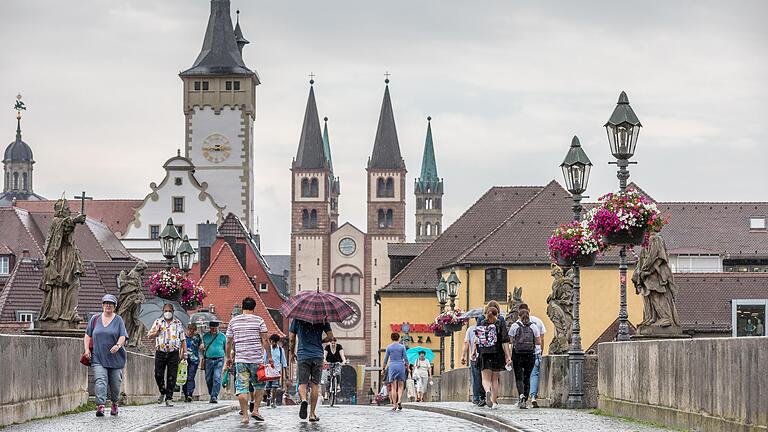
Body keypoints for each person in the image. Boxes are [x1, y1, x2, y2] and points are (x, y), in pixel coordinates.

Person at [225, 297, 272, 424]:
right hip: (256, 360)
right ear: (254, 308)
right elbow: (265, 340)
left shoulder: (233, 321)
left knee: (241, 388)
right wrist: (270, 357)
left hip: (240, 360)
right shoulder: (259, 320)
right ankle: (256, 410)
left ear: (242, 307)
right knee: (259, 385)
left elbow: (228, 341)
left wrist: (228, 357)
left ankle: (245, 415)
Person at [83, 294, 128, 417]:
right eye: (106, 303)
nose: (108, 305)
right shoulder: (95, 319)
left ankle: (114, 403)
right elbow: (88, 335)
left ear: (114, 306)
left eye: (111, 303)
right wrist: (87, 349)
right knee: (100, 380)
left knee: (115, 383)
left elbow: (123, 336)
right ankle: (101, 406)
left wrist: (118, 345)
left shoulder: (118, 320)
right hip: (98, 356)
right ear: (102, 305)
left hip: (115, 357)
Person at [289, 318, 335, 422]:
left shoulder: (297, 319)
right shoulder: (322, 319)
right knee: (315, 384)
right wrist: (321, 341)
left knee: (302, 383)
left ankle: (304, 400)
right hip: (317, 355)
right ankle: (312, 414)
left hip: (303, 355)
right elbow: (331, 337)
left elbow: (291, 339)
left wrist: (292, 353)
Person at [147, 303, 186, 406]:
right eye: (166, 311)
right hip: (160, 351)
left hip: (173, 353)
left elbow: (183, 340)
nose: (167, 313)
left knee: (172, 376)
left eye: (169, 311)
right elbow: (149, 335)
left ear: (173, 312)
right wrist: (156, 332)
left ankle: (169, 398)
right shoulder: (158, 322)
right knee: (158, 374)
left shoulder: (178, 323)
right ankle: (162, 391)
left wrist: (184, 353)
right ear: (163, 312)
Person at [475, 305, 511, 409]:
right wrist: (508, 356)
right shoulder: (500, 324)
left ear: (486, 313)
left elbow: (476, 340)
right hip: (497, 353)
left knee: (485, 379)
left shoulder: (481, 323)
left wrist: (474, 352)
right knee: (495, 379)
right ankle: (494, 402)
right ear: (497, 314)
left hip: (484, 353)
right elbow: (505, 341)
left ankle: (487, 391)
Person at [509, 309, 542, 409]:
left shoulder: (514, 326)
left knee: (519, 376)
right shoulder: (533, 326)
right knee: (527, 377)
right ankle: (526, 398)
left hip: (517, 354)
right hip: (530, 354)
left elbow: (510, 340)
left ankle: (521, 396)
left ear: (518, 316)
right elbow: (538, 342)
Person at [518, 303, 546, 407]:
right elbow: (541, 339)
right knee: (534, 374)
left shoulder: (517, 323)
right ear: (529, 310)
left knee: (521, 376)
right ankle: (533, 397)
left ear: (518, 312)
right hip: (535, 352)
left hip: (521, 353)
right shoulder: (538, 321)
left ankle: (522, 398)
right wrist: (540, 351)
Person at [460, 317, 485, 406]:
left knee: (476, 378)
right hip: (486, 356)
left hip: (474, 357)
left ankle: (476, 398)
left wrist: (463, 356)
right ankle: (485, 396)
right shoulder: (488, 328)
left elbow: (466, 343)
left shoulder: (470, 329)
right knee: (486, 378)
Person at [383, 332, 408, 411]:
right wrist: (407, 366)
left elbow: (385, 359)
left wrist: (383, 368)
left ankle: (394, 404)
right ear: (399, 338)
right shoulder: (402, 347)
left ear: (391, 338)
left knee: (393, 387)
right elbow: (405, 358)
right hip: (400, 365)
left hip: (392, 366)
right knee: (401, 385)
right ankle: (400, 400)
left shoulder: (389, 347)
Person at [202, 321, 227, 403]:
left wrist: (227, 361)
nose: (213, 330)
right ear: (209, 328)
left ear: (218, 328)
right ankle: (211, 393)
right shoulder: (205, 336)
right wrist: (202, 347)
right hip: (208, 360)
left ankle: (214, 396)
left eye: (215, 328)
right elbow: (203, 348)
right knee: (208, 379)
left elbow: (226, 349)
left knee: (217, 377)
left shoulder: (223, 336)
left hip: (219, 359)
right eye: (212, 328)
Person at [264, 333, 288, 408]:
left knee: (275, 386)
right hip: (268, 370)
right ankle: (268, 397)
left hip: (276, 371)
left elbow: (284, 362)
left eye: (274, 341)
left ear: (277, 342)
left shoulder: (281, 350)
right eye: (272, 341)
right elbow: (264, 359)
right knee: (268, 387)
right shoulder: (268, 349)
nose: (273, 343)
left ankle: (273, 401)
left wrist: (286, 374)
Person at [183, 323, 203, 402]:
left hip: (194, 360)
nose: (192, 331)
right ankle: (185, 394)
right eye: (190, 329)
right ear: (188, 329)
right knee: (184, 377)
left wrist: (201, 346)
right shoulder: (183, 336)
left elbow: (201, 345)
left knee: (190, 376)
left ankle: (190, 394)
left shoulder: (197, 337)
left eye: (193, 330)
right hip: (184, 359)